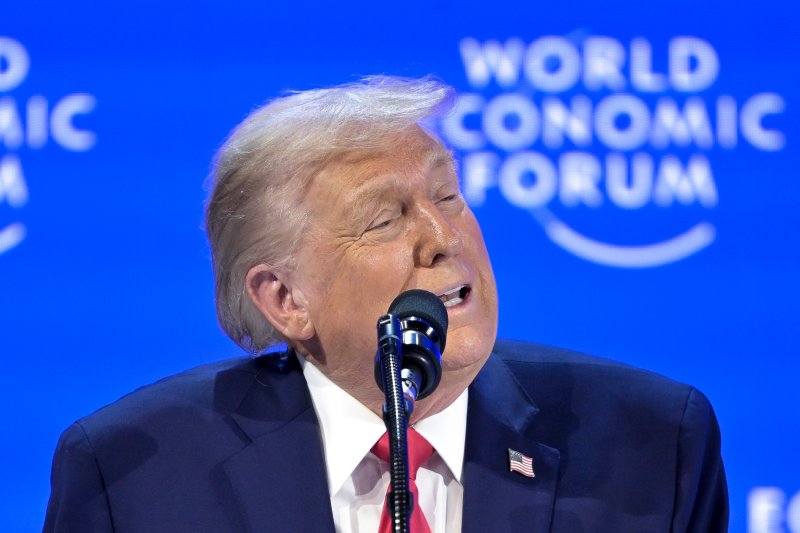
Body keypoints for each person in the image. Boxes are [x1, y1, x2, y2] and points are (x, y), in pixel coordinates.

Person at [44, 76, 728, 532]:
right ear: (285, 298)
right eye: (383, 220)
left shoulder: (651, 442)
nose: (443, 237)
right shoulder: (135, 477)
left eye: (448, 195)